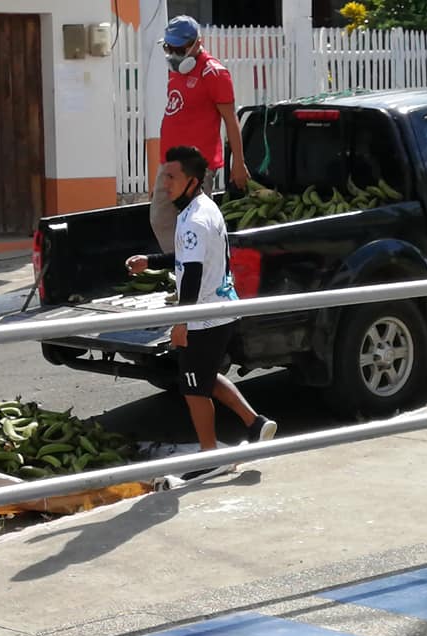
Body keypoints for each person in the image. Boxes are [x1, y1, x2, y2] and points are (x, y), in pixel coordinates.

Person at [126, 146, 275, 481]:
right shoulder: (204, 207)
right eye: (164, 176)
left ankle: (211, 456)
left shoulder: (193, 219)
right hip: (220, 308)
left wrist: (182, 322)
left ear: (192, 181)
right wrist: (151, 261)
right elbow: (189, 256)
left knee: (193, 389)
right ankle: (255, 423)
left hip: (204, 317)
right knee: (204, 376)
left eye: (172, 177)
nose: (165, 184)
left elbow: (192, 274)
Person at [150, 15, 250, 253]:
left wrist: (238, 162)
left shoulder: (214, 74)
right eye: (169, 48)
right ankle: (181, 266)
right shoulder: (176, 72)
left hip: (196, 166)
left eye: (179, 48)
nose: (173, 53)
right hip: (170, 164)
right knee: (162, 219)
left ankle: (200, 268)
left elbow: (230, 120)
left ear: (196, 43)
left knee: (195, 224)